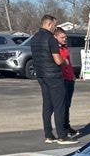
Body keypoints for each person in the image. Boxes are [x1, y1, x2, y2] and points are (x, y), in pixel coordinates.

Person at [30, 15, 78, 145]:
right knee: (59, 105)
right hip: (53, 76)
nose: (55, 28)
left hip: (41, 75)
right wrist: (64, 61)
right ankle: (62, 136)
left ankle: (48, 135)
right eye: (54, 26)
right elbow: (57, 60)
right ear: (49, 24)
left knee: (47, 105)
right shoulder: (50, 39)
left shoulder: (34, 38)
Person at [54, 28, 80, 138]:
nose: (64, 39)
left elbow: (68, 63)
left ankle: (67, 125)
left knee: (68, 104)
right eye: (62, 37)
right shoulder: (55, 49)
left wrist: (73, 75)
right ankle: (63, 127)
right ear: (56, 37)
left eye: (65, 37)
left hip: (69, 78)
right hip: (62, 79)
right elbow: (60, 62)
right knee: (63, 105)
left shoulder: (65, 48)